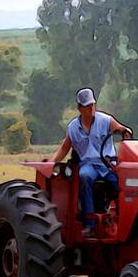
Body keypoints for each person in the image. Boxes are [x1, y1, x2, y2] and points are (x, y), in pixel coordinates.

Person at [52, 88, 132, 237]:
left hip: (107, 163)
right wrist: (51, 164)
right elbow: (64, 148)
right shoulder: (73, 128)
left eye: (92, 104)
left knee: (121, 184)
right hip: (88, 164)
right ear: (79, 108)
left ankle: (121, 219)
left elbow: (121, 129)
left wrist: (124, 131)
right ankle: (90, 223)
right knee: (84, 176)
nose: (91, 108)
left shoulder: (106, 120)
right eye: (87, 105)